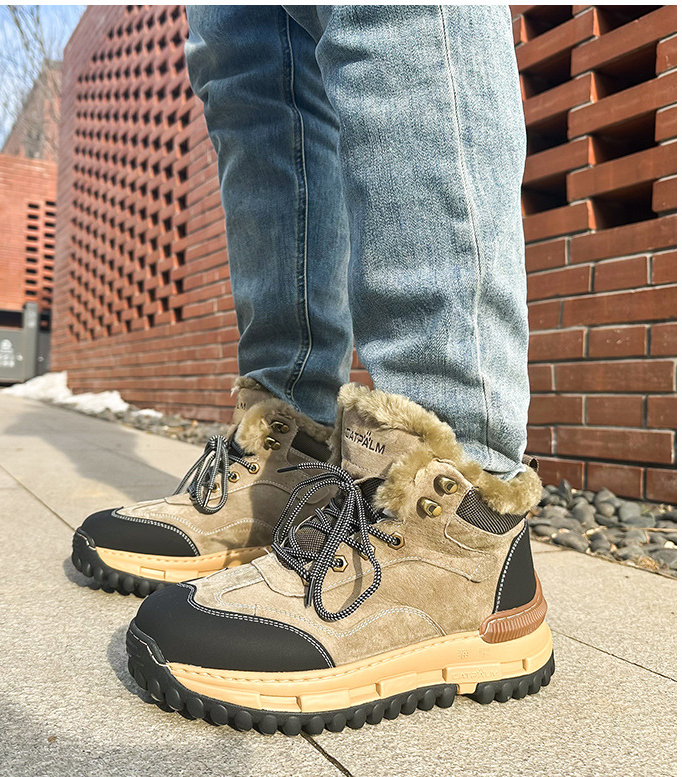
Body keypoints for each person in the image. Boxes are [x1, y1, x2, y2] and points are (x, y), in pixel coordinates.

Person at [74, 5, 553, 734]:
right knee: (249, 63)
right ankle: (289, 451)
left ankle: (463, 506)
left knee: (389, 14)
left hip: (461, 507)